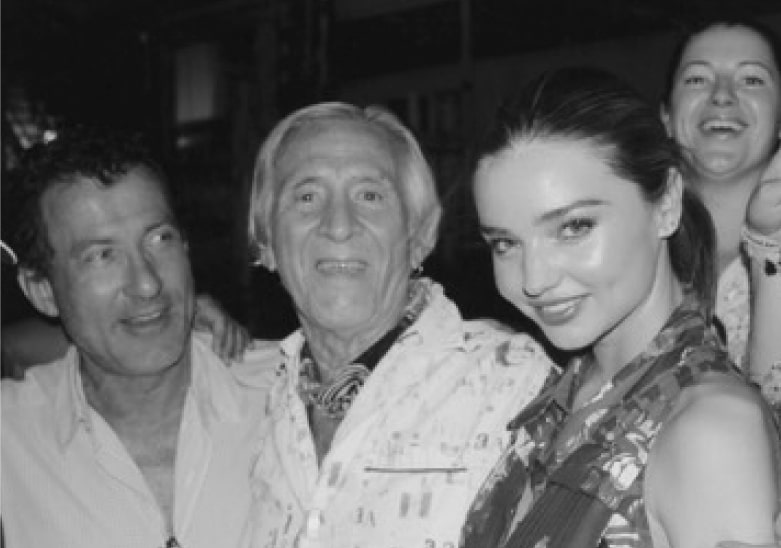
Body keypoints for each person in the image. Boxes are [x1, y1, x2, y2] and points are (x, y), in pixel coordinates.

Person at [460, 67, 778, 548]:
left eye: (573, 227)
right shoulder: (560, 403)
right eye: (505, 244)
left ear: (666, 204)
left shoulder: (710, 430)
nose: (534, 279)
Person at [242, 102, 554, 547]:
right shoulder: (250, 406)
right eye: (306, 197)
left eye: (370, 195)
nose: (338, 226)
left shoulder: (513, 387)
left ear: (421, 235)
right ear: (266, 240)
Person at [1, 128, 270, 548]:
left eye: (159, 239)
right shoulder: (12, 438)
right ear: (42, 291)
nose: (147, 283)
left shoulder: (289, 393)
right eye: (101, 256)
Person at [660, 16, 781, 413]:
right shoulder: (621, 249)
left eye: (752, 80)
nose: (723, 96)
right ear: (665, 116)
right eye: (697, 79)